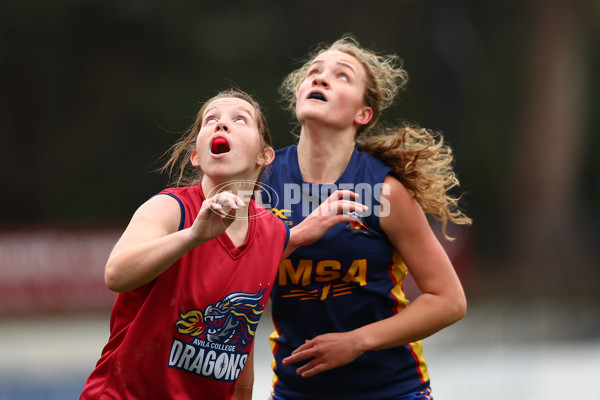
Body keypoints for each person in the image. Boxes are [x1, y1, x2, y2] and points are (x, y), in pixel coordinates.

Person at [80, 88, 366, 400]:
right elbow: (116, 275)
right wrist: (193, 236)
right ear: (196, 156)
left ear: (264, 155)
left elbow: (240, 337)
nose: (221, 125)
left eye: (240, 119)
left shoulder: (272, 232)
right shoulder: (169, 209)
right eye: (210, 120)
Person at [260, 35, 473, 400]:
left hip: (392, 390)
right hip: (296, 392)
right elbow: (229, 280)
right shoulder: (262, 182)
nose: (321, 78)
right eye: (314, 72)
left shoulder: (384, 192)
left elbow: (448, 300)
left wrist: (357, 341)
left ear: (363, 114)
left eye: (341, 76)